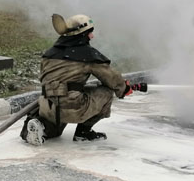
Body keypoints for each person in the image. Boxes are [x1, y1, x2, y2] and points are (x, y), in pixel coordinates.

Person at [20, 13, 131, 145]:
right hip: (72, 106)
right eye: (90, 32)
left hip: (47, 107)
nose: (92, 36)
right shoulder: (88, 55)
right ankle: (83, 133)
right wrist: (123, 89)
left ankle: (40, 127)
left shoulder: (49, 53)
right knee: (107, 93)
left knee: (55, 131)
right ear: (82, 34)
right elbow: (112, 78)